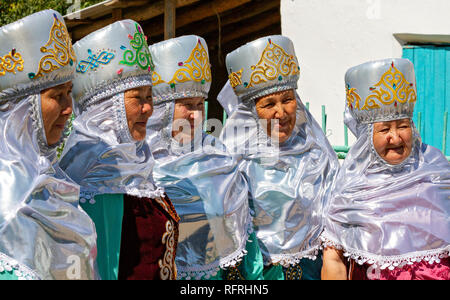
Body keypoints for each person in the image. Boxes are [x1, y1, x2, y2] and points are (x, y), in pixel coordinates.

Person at [59, 20, 179, 280]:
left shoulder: (138, 161)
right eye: (138, 98)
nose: (148, 109)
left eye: (150, 97)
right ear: (106, 107)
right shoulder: (95, 169)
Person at [218, 35, 340, 280]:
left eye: (287, 100)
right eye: (269, 104)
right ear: (250, 111)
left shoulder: (318, 155)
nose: (281, 113)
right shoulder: (232, 163)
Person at [321, 58, 450, 280]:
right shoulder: (351, 186)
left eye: (403, 126)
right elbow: (334, 260)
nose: (396, 137)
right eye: (384, 130)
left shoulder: (437, 171)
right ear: (366, 137)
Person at [147, 35, 258, 280]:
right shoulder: (141, 165)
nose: (196, 116)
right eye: (187, 104)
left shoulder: (218, 155)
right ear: (161, 109)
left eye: (200, 104)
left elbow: (243, 243)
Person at [0, 10, 97, 280]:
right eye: (57, 95)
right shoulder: (5, 194)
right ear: (20, 110)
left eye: (70, 92)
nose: (69, 109)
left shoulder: (53, 180)